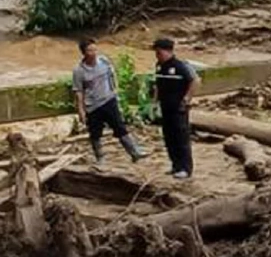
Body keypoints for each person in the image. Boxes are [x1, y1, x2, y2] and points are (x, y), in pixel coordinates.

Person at [71, 39, 146, 165]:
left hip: (109, 100)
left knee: (120, 127)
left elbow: (112, 76)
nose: (93, 53)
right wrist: (81, 110)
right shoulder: (79, 71)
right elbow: (78, 91)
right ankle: (100, 158)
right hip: (92, 105)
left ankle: (134, 152)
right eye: (90, 50)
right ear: (84, 53)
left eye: (95, 49)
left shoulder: (104, 61)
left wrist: (115, 91)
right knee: (95, 133)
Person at [150, 37, 199, 180]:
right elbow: (157, 85)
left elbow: (195, 80)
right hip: (165, 107)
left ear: (168, 51)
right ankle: (175, 165)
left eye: (159, 52)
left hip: (178, 108)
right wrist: (154, 102)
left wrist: (187, 99)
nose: (157, 55)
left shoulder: (180, 66)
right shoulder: (159, 66)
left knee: (181, 138)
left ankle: (186, 168)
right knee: (169, 138)